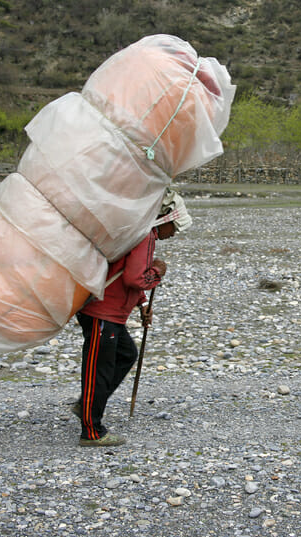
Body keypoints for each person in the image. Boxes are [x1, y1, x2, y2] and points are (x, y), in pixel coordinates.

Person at [72, 189, 192, 447]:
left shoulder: (137, 233)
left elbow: (123, 272)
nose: (175, 234)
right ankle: (91, 431)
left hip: (108, 312)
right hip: (101, 312)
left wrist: (141, 304)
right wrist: (158, 271)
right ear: (166, 219)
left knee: (126, 354)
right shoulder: (145, 236)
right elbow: (135, 278)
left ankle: (87, 405)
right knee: (98, 369)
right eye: (175, 228)